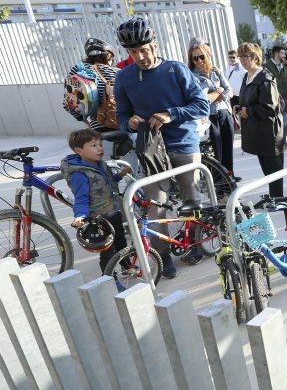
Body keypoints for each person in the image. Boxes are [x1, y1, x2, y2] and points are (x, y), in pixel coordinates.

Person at [114, 16, 210, 277]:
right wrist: (129, 122)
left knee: (191, 198)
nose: (140, 56)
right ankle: (162, 255)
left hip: (183, 143)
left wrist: (171, 114)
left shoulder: (176, 70)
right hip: (151, 150)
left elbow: (202, 105)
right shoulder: (124, 78)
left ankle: (195, 243)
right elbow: (121, 116)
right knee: (156, 205)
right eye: (133, 52)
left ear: (154, 45)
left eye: (144, 49)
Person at [61, 128, 131, 288]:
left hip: (113, 212)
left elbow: (108, 181)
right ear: (79, 151)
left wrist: (119, 176)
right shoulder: (79, 174)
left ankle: (127, 266)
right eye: (93, 145)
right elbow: (81, 198)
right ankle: (109, 279)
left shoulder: (100, 164)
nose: (100, 148)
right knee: (108, 249)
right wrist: (80, 215)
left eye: (100, 144)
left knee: (121, 242)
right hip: (99, 219)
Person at [236, 42, 285, 197]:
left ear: (255, 57)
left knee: (274, 171)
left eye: (246, 56)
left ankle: (278, 200)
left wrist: (248, 111)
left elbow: (270, 107)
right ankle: (273, 198)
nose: (242, 60)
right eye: (240, 57)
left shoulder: (265, 77)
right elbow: (249, 100)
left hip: (270, 132)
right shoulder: (247, 76)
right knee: (267, 169)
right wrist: (238, 106)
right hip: (258, 131)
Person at [188, 41, 236, 177]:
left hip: (224, 112)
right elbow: (202, 99)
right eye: (195, 58)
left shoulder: (216, 71)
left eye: (201, 56)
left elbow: (229, 91)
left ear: (207, 55)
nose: (199, 61)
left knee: (228, 149)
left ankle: (229, 178)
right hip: (209, 116)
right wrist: (217, 92)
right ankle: (218, 184)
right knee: (217, 152)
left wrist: (214, 95)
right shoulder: (192, 76)